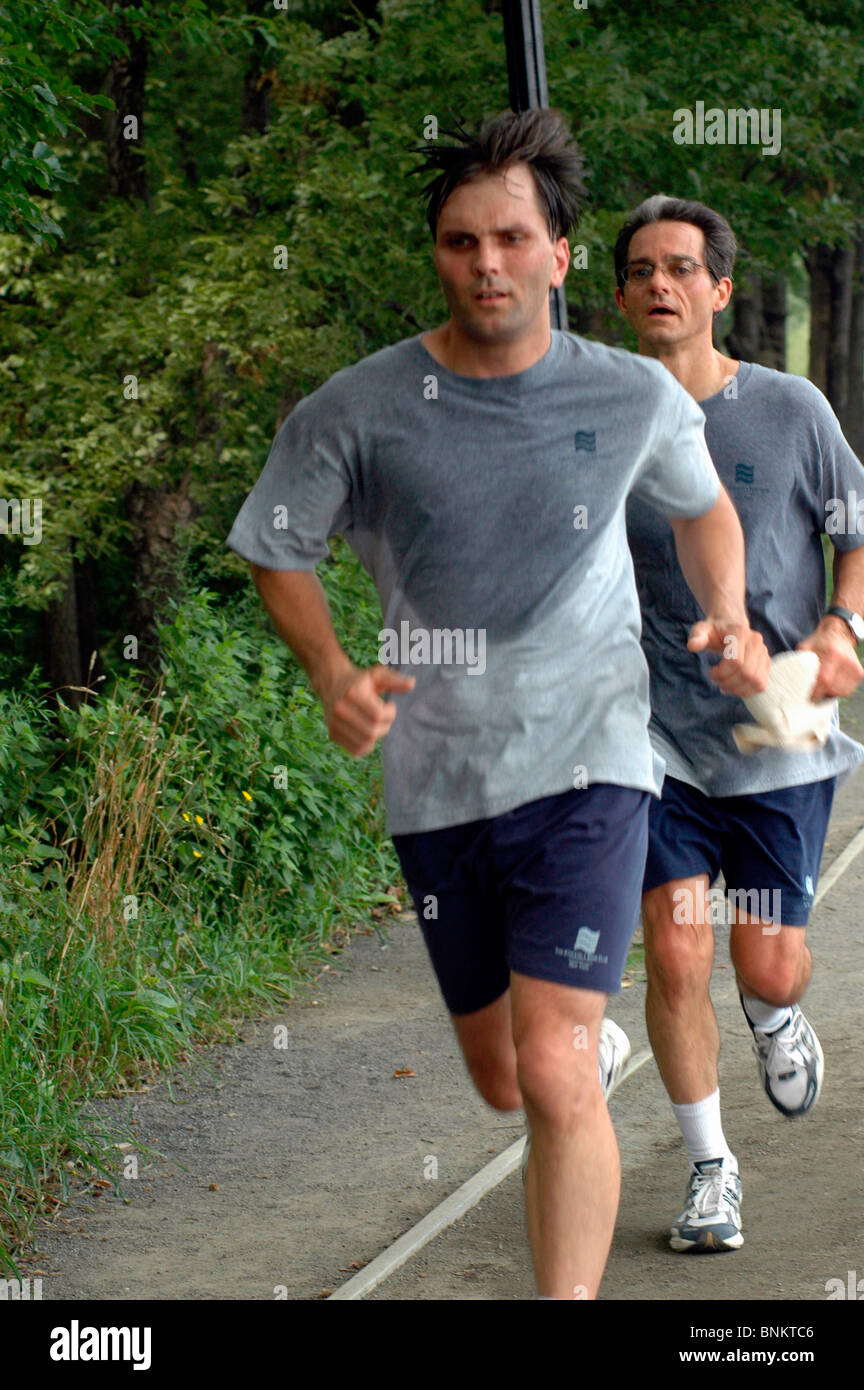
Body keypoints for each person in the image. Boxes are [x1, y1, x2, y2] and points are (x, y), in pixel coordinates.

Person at [226, 111, 769, 1299]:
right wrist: (330, 672)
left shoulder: (629, 395)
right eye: (462, 241)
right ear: (437, 253)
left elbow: (705, 505)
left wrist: (725, 609)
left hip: (592, 765)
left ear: (560, 255)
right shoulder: (364, 407)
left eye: (513, 239)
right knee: (506, 1081)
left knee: (559, 1073)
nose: (488, 264)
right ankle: (567, 1048)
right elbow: (276, 543)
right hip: (440, 785)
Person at [615, 195, 864, 1252]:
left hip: (777, 731)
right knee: (674, 952)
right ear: (621, 295)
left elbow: (857, 531)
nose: (660, 283)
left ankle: (773, 1012)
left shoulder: (792, 410)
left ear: (719, 289)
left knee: (763, 961)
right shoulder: (597, 417)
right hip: (649, 733)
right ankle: (712, 1169)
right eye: (641, 270)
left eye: (682, 267)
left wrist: (844, 624)